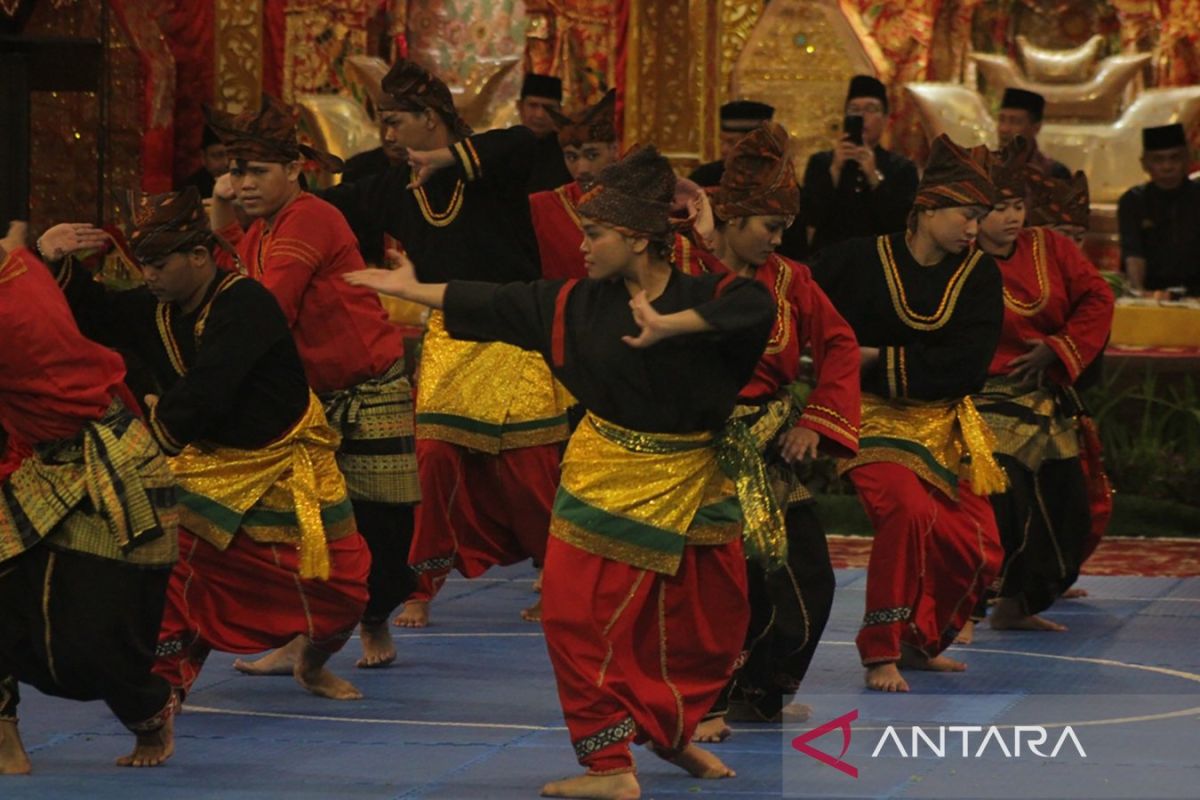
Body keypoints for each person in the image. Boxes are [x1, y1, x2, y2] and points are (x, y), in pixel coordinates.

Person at [345, 144, 776, 800]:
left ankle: (669, 733)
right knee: (573, 616)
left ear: (635, 240)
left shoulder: (709, 294)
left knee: (702, 628)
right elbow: (496, 301)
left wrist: (669, 326)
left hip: (692, 479)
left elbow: (751, 308)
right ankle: (610, 767)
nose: (582, 245)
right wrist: (415, 290)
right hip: (601, 476)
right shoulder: (577, 303)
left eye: (595, 234)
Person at [38, 187, 370, 702]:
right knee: (166, 559)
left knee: (344, 593)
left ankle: (312, 663)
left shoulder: (246, 303)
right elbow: (98, 314)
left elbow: (209, 388)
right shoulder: (158, 304)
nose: (148, 276)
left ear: (198, 256)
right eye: (142, 264)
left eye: (159, 264)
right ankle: (167, 690)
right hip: (205, 465)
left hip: (283, 464)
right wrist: (53, 259)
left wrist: (143, 446)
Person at [323, 59, 569, 627]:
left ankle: (558, 573)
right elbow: (332, 210)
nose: (385, 134)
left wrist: (446, 158)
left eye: (395, 121)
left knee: (530, 470)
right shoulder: (392, 186)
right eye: (381, 122)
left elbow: (521, 146)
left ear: (432, 118)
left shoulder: (492, 164)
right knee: (433, 462)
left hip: (514, 335)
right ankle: (421, 585)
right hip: (451, 338)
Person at [205, 95, 419, 671]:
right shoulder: (263, 227)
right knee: (306, 524)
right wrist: (223, 213)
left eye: (256, 171)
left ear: (295, 170)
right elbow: (225, 277)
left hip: (369, 386)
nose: (242, 183)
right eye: (235, 171)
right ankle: (305, 634)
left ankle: (372, 620)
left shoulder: (312, 218)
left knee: (383, 527)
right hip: (311, 398)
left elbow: (265, 309)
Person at [811, 134, 1007, 693]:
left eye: (980, 218)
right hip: (869, 416)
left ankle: (921, 640)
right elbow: (801, 306)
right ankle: (880, 651)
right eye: (966, 216)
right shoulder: (855, 259)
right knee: (905, 511)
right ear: (927, 207)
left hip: (941, 424)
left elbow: (967, 365)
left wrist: (875, 356)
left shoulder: (977, 275)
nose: (974, 230)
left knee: (977, 543)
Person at [689, 122, 861, 738]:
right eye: (769, 226)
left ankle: (755, 692)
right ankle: (703, 699)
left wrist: (816, 418)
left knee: (805, 577)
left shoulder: (792, 281)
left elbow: (839, 344)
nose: (779, 239)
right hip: (694, 450)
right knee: (722, 579)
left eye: (786, 228)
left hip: (767, 446)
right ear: (731, 218)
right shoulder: (684, 266)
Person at [0, 223, 179, 772]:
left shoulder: (10, 296)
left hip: (110, 462)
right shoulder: (16, 263)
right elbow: (14, 241)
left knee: (91, 643)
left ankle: (148, 713)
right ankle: (4, 731)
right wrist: (38, 249)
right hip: (34, 456)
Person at [966, 139, 1113, 636]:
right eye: (998, 208)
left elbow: (1097, 297)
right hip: (980, 401)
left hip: (1046, 399)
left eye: (1016, 206)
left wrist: (1060, 346)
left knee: (1069, 511)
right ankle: (963, 609)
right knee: (1003, 507)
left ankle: (1018, 606)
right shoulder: (957, 259)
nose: (1011, 217)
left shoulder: (1050, 247)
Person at [802, 75, 919, 256]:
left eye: (871, 109)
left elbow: (903, 224)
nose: (862, 116)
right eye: (854, 109)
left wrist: (874, 176)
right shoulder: (821, 162)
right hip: (829, 260)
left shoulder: (902, 168)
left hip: (881, 261)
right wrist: (834, 171)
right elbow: (810, 217)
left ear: (886, 119)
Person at [531, 89, 619, 280]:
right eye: (571, 157)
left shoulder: (638, 199)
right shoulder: (543, 206)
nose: (582, 169)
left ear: (614, 150)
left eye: (592, 155)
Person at [1117, 123, 1200, 295]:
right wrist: (1139, 293)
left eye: (1174, 158)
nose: (1167, 166)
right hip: (1152, 292)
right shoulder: (1133, 201)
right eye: (1158, 159)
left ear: (1187, 159)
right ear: (1145, 163)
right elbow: (1133, 252)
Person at [687, 100, 775, 188]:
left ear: (756, 143)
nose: (723, 149)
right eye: (722, 141)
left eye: (731, 142)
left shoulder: (778, 176)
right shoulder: (705, 177)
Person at [996, 88, 1071, 180]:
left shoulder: (1054, 172)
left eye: (1015, 122)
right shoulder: (985, 168)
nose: (1004, 129)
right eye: (1001, 120)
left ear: (1036, 127)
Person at [520, 73, 574, 193]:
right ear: (520, 106)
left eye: (548, 107)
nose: (539, 115)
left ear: (560, 111)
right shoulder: (504, 147)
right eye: (533, 105)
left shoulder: (569, 151)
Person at [177, 125, 229, 198]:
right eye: (218, 156)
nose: (226, 162)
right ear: (203, 157)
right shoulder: (192, 188)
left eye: (230, 156)